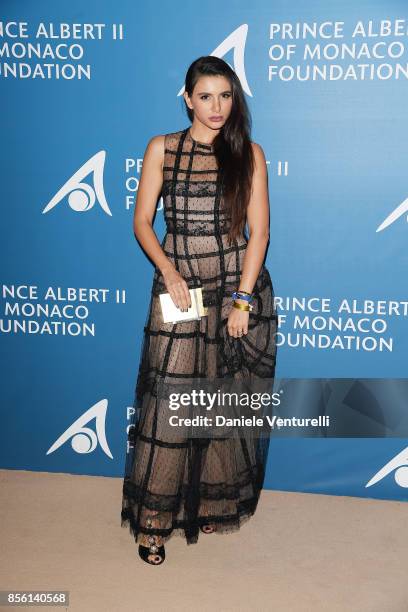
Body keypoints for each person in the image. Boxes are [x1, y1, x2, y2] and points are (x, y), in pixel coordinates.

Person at [121, 56, 278, 565]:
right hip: (181, 292)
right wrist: (169, 272)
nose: (216, 107)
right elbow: (143, 222)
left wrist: (243, 300)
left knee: (219, 397)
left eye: (225, 96)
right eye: (205, 96)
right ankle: (153, 521)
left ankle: (209, 498)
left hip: (236, 288)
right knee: (170, 404)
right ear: (187, 98)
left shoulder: (248, 153)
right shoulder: (162, 149)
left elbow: (260, 234)